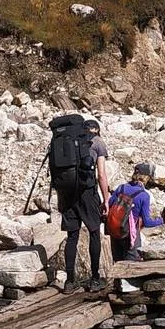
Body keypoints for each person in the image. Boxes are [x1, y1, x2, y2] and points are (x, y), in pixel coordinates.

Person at [58, 117, 109, 293]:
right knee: (94, 233)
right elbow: (101, 175)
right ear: (97, 130)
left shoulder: (65, 140)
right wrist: (106, 199)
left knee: (72, 236)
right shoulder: (97, 142)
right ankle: (95, 279)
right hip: (87, 192)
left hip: (67, 193)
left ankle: (70, 281)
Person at [107, 162, 165, 262]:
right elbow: (147, 222)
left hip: (115, 230)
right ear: (146, 177)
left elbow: (109, 204)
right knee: (132, 263)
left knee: (117, 263)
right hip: (129, 234)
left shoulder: (121, 187)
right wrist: (162, 220)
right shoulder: (144, 196)